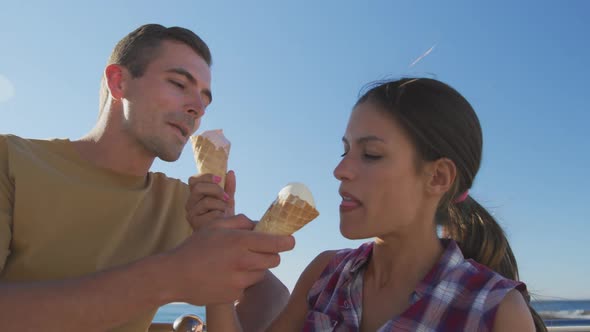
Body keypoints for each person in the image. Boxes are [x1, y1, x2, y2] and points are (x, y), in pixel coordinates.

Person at [0, 24, 295, 332]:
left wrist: (221, 246)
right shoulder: (11, 159)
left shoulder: (187, 205)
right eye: (179, 84)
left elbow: (269, 291)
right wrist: (171, 276)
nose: (197, 109)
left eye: (205, 101)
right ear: (119, 82)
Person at [204, 77, 548, 331]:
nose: (340, 170)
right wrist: (218, 262)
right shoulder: (325, 274)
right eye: (345, 150)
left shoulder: (496, 311)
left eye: (371, 154)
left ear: (438, 177)